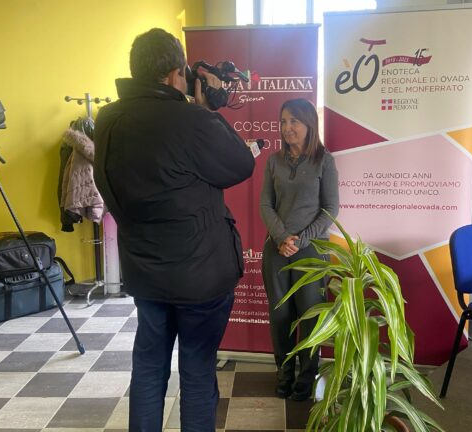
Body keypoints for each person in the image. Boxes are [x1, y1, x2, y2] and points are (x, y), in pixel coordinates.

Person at [93, 28, 255, 431]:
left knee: (148, 369)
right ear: (171, 75)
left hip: (145, 275)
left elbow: (107, 185)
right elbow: (240, 164)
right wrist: (206, 110)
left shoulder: (108, 118)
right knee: (198, 373)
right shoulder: (192, 118)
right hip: (200, 279)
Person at [259, 98, 340, 401]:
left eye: (293, 121)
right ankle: (284, 373)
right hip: (277, 249)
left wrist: (301, 239)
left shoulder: (324, 161)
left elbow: (331, 209)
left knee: (309, 317)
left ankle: (306, 379)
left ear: (309, 124)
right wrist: (281, 237)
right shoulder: (273, 161)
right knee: (280, 316)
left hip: (311, 253)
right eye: (283, 121)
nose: (287, 127)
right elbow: (265, 204)